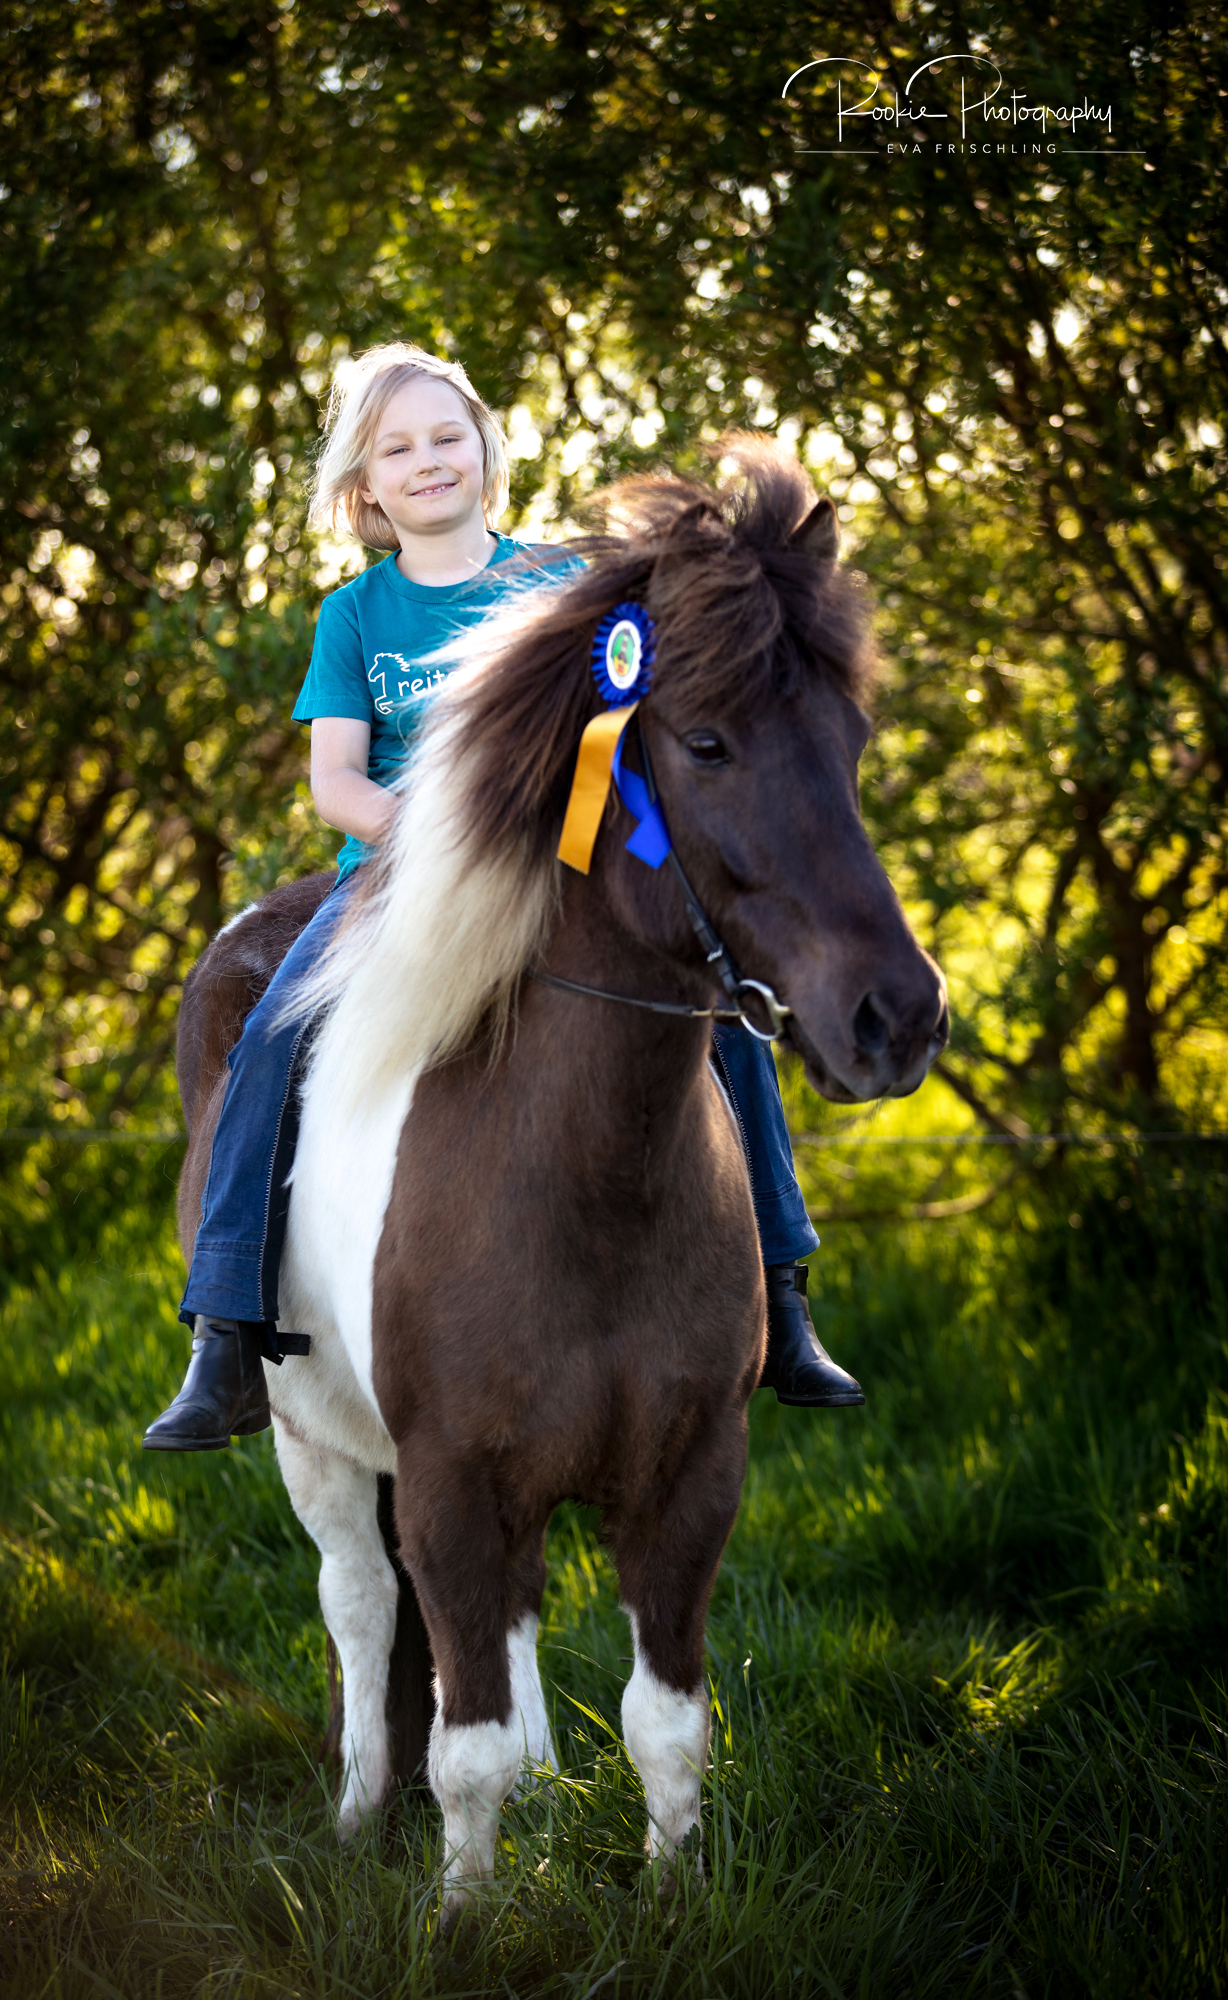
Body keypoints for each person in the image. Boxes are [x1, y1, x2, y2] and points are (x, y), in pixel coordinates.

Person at [143, 345, 860, 1453]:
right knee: (275, 1032)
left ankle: (782, 1288)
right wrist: (440, 842)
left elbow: (640, 728)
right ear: (364, 486)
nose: (427, 460)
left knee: (717, 1011)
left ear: (485, 447)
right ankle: (227, 1328)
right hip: (397, 884)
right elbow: (336, 781)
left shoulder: (561, 585)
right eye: (397, 449)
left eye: (446, 436)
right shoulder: (354, 616)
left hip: (566, 873)